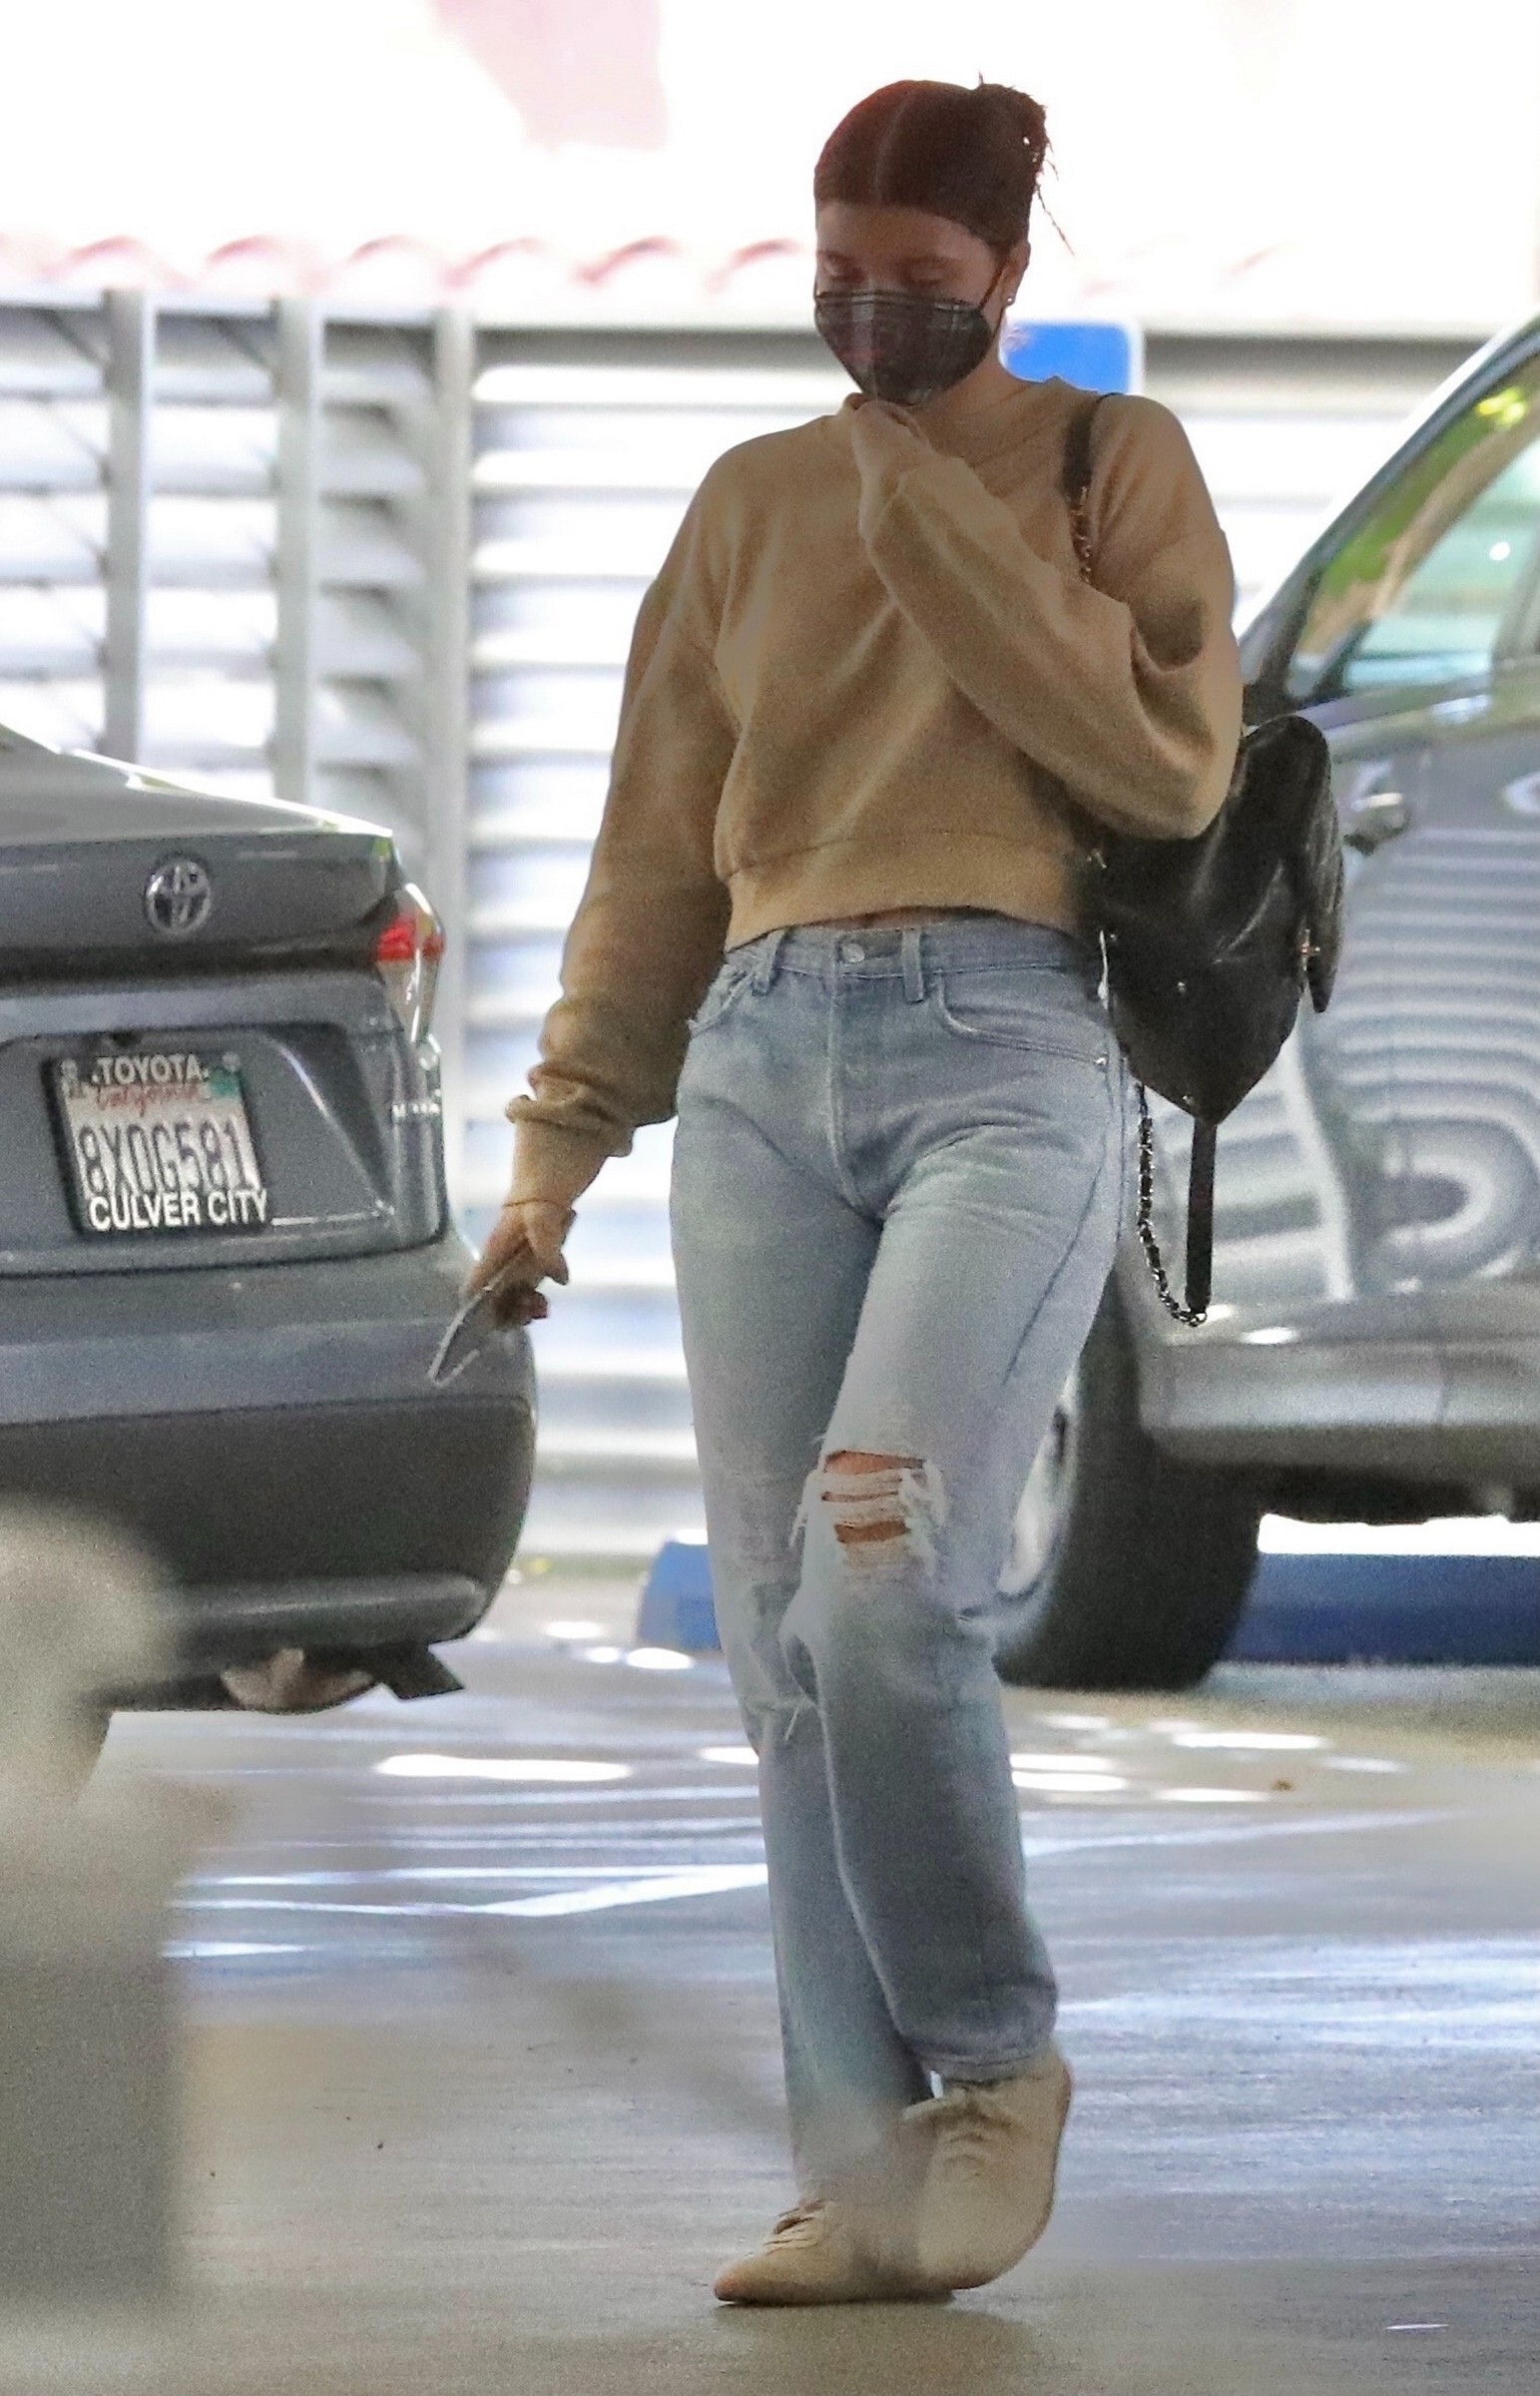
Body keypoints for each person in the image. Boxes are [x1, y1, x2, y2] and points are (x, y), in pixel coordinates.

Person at [471, 76, 1243, 2305]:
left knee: (885, 1583)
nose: (871, 314)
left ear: (1005, 274)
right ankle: (857, 2167)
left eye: (919, 280)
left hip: (1008, 1051)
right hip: (757, 1066)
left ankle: (995, 2068)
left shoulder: (1106, 465)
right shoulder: (747, 503)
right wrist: (553, 1153)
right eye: (838, 273)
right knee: (787, 1659)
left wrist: (928, 500)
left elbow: (1162, 760)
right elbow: (652, 847)